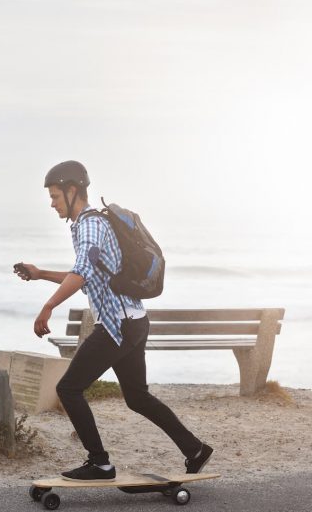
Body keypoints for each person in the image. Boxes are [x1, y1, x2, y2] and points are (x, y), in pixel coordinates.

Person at [14, 160, 213, 481]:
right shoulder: (87, 225)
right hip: (133, 321)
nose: (51, 203)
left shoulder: (91, 225)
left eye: (55, 196)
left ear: (72, 190)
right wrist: (40, 275)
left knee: (68, 388)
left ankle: (100, 463)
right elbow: (83, 273)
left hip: (117, 326)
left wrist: (48, 306)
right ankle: (195, 449)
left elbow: (80, 274)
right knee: (137, 397)